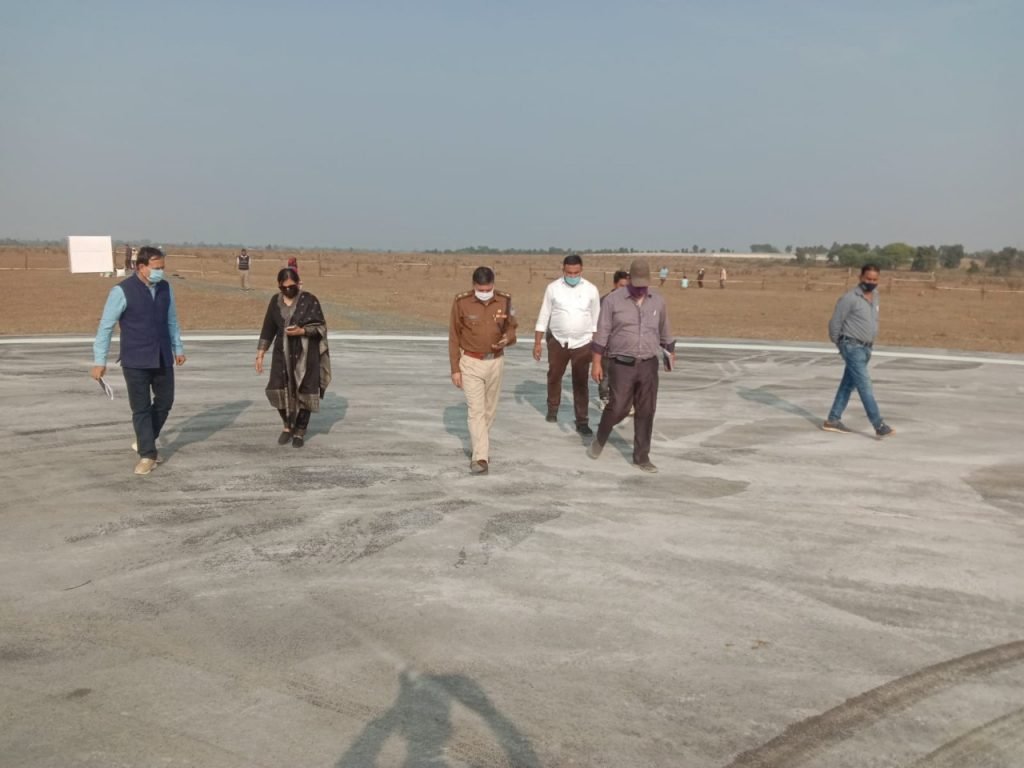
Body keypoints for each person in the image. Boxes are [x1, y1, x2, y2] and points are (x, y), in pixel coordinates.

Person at [91, 246, 186, 475]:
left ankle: (144, 439)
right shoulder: (121, 291)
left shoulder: (165, 288)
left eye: (162, 267)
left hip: (162, 356)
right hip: (135, 359)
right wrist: (99, 361)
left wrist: (178, 347)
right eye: (156, 268)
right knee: (141, 408)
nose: (160, 271)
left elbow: (172, 320)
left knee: (165, 402)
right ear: (141, 267)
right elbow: (105, 327)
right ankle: (147, 454)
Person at [588, 259, 675, 473]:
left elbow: (664, 330)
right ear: (629, 279)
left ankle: (641, 457)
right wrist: (596, 363)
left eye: (643, 284)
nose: (640, 288)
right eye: (636, 284)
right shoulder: (613, 301)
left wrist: (670, 353)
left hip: (648, 364)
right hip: (621, 363)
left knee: (646, 410)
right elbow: (602, 332)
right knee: (619, 407)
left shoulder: (658, 301)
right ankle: (600, 437)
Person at [449, 266, 518, 475]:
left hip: (495, 362)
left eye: (488, 289)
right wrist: (455, 369)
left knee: (489, 410)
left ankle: (480, 445)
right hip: (470, 362)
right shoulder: (461, 302)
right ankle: (480, 457)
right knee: (476, 411)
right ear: (474, 286)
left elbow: (512, 327)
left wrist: (507, 339)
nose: (485, 293)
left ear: (493, 285)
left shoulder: (505, 300)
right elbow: (454, 336)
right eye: (481, 289)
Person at [255, 268, 331, 448]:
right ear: (279, 286)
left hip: (306, 354)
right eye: (285, 287)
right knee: (276, 389)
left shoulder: (310, 300)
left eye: (292, 286)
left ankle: (300, 431)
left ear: (298, 283)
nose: (288, 289)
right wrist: (260, 353)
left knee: (305, 391)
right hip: (281, 354)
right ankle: (288, 426)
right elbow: (268, 328)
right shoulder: (275, 301)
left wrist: (302, 331)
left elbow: (321, 327)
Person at [533, 254, 602, 435]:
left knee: (580, 382)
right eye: (569, 273)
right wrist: (538, 342)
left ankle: (582, 420)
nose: (572, 276)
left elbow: (596, 320)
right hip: (558, 341)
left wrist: (597, 347)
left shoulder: (591, 290)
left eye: (576, 273)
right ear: (563, 270)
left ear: (581, 270)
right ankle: (552, 409)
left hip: (583, 343)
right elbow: (544, 315)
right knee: (554, 375)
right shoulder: (553, 288)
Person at [822, 263, 894, 438]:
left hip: (866, 348)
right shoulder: (849, 298)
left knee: (847, 385)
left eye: (875, 280)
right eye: (868, 279)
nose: (871, 282)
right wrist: (841, 345)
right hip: (852, 346)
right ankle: (878, 424)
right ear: (860, 277)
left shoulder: (875, 296)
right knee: (864, 385)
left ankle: (833, 420)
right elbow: (835, 323)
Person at [598, 270, 630, 404]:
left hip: (624, 346)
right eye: (621, 286)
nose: (624, 289)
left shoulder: (631, 302)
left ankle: (622, 400)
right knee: (606, 374)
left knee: (623, 374)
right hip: (607, 345)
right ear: (614, 284)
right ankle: (604, 398)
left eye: (627, 286)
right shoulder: (605, 300)